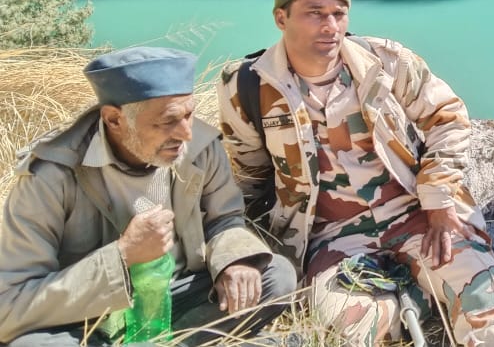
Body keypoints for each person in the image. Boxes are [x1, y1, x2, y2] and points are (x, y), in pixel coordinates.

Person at [216, 0, 494, 346]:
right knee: (343, 332)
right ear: (280, 17)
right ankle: (418, 292)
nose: (331, 25)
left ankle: (431, 284)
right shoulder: (247, 86)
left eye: (339, 13)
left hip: (417, 216)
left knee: (485, 303)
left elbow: (447, 116)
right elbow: (251, 176)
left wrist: (437, 196)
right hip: (334, 239)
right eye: (315, 12)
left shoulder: (385, 61)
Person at [0, 46, 296, 346]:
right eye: (167, 121)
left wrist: (235, 260)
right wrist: (122, 255)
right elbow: (9, 306)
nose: (186, 134)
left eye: (189, 115)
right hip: (86, 320)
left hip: (174, 301)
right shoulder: (51, 177)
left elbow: (225, 219)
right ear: (114, 119)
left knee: (273, 275)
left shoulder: (200, 149)